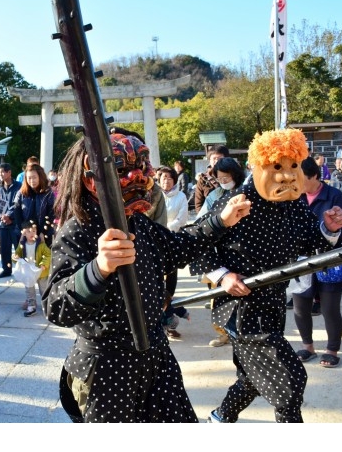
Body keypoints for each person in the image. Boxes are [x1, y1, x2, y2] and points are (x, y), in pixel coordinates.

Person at [43, 127, 252, 423]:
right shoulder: (78, 230)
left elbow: (178, 247)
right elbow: (54, 306)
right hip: (106, 367)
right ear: (90, 176)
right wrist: (98, 268)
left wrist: (220, 221)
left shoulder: (139, 223)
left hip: (156, 357)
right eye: (121, 168)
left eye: (142, 165)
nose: (138, 176)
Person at [196, 128, 342, 423]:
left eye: (294, 166)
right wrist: (224, 275)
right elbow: (198, 245)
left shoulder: (294, 204)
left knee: (255, 375)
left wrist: (329, 229)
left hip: (274, 302)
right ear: (257, 167)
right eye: (277, 167)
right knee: (288, 380)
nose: (287, 175)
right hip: (240, 308)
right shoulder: (235, 202)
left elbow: (311, 244)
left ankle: (221, 416)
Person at [292, 157, 342, 368]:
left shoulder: (334, 196)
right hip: (301, 261)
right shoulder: (293, 197)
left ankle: (332, 349)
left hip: (330, 260)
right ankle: (307, 346)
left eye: (301, 178)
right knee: (300, 307)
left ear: (315, 176)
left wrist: (332, 227)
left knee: (329, 308)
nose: (296, 183)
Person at [192, 157, 246, 347]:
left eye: (227, 178)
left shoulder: (248, 191)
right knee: (220, 297)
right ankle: (225, 333)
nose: (224, 182)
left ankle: (240, 336)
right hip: (219, 254)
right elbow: (201, 222)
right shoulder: (215, 195)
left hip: (244, 255)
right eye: (220, 178)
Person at [158, 165, 189, 339]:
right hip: (155, 243)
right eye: (163, 178)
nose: (166, 181)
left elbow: (182, 218)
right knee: (155, 284)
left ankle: (169, 323)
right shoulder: (154, 195)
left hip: (172, 243)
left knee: (170, 285)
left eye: (170, 178)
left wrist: (167, 229)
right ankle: (160, 324)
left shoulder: (181, 196)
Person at [14, 220, 51, 317]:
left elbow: (48, 255)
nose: (32, 233)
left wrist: (44, 264)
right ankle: (31, 305)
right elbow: (17, 254)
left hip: (41, 271)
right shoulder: (22, 244)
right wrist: (15, 258)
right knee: (29, 289)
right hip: (28, 271)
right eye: (29, 231)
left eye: (34, 231)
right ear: (24, 233)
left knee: (44, 289)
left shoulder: (41, 244)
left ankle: (47, 305)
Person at [13, 162, 56, 245]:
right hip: (24, 233)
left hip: (43, 234)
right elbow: (16, 212)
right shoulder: (21, 193)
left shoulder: (48, 193)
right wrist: (24, 230)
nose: (32, 181)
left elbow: (51, 214)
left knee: (43, 257)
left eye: (34, 177)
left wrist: (43, 232)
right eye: (29, 178)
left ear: (40, 177)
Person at [0, 163, 21, 277]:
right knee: (4, 248)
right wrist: (2, 217)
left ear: (9, 172)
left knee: (19, 248)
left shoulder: (19, 186)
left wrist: (10, 216)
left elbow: (17, 203)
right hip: (2, 223)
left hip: (15, 222)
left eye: (2, 172)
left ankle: (23, 269)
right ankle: (6, 269)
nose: (0, 174)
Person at [194, 144, 229, 213]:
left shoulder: (232, 177)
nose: (216, 161)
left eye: (219, 159)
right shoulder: (203, 179)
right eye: (214, 158)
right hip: (210, 218)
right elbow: (198, 204)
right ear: (209, 160)